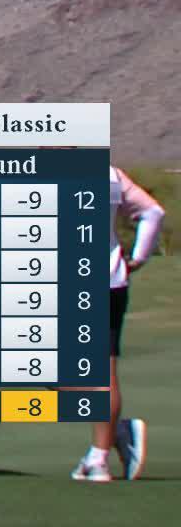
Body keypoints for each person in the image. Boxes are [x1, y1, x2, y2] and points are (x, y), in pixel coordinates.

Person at [72, 165, 165, 483]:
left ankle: (103, 451)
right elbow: (153, 213)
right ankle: (106, 445)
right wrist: (138, 257)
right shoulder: (108, 174)